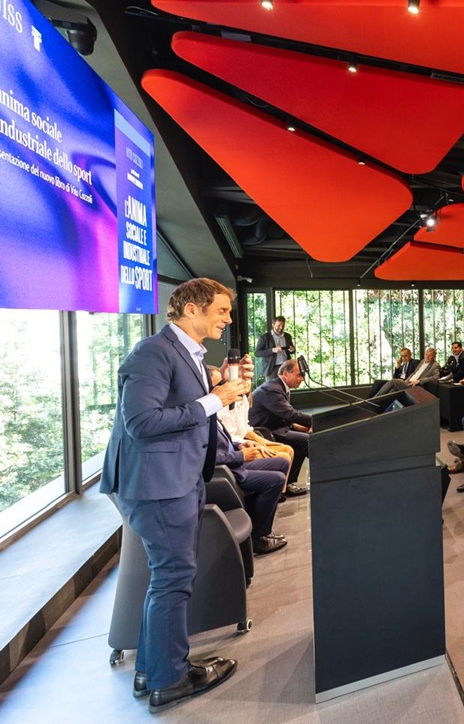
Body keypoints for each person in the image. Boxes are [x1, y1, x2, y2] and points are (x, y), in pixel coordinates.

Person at [100, 278, 245, 711]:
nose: (227, 319)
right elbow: (141, 422)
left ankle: (152, 669)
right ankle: (172, 679)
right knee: (174, 578)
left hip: (174, 480)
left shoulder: (188, 355)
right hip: (158, 485)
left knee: (166, 578)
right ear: (192, 309)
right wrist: (214, 400)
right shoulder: (152, 352)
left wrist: (212, 391)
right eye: (221, 310)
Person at [207, 369, 289, 555]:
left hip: (235, 460)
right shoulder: (205, 419)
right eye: (219, 385)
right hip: (228, 471)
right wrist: (241, 456)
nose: (225, 388)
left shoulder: (214, 414)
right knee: (276, 479)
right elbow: (209, 458)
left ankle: (259, 518)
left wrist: (241, 445)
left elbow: (229, 440)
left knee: (281, 463)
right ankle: (259, 536)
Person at [248, 359, 313, 496]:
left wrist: (295, 425)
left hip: (275, 426)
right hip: (266, 431)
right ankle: (289, 483)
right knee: (305, 440)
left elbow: (280, 414)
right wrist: (315, 421)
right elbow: (289, 413)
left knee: (307, 438)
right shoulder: (271, 390)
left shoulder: (278, 387)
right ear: (286, 373)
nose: (302, 379)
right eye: (299, 375)